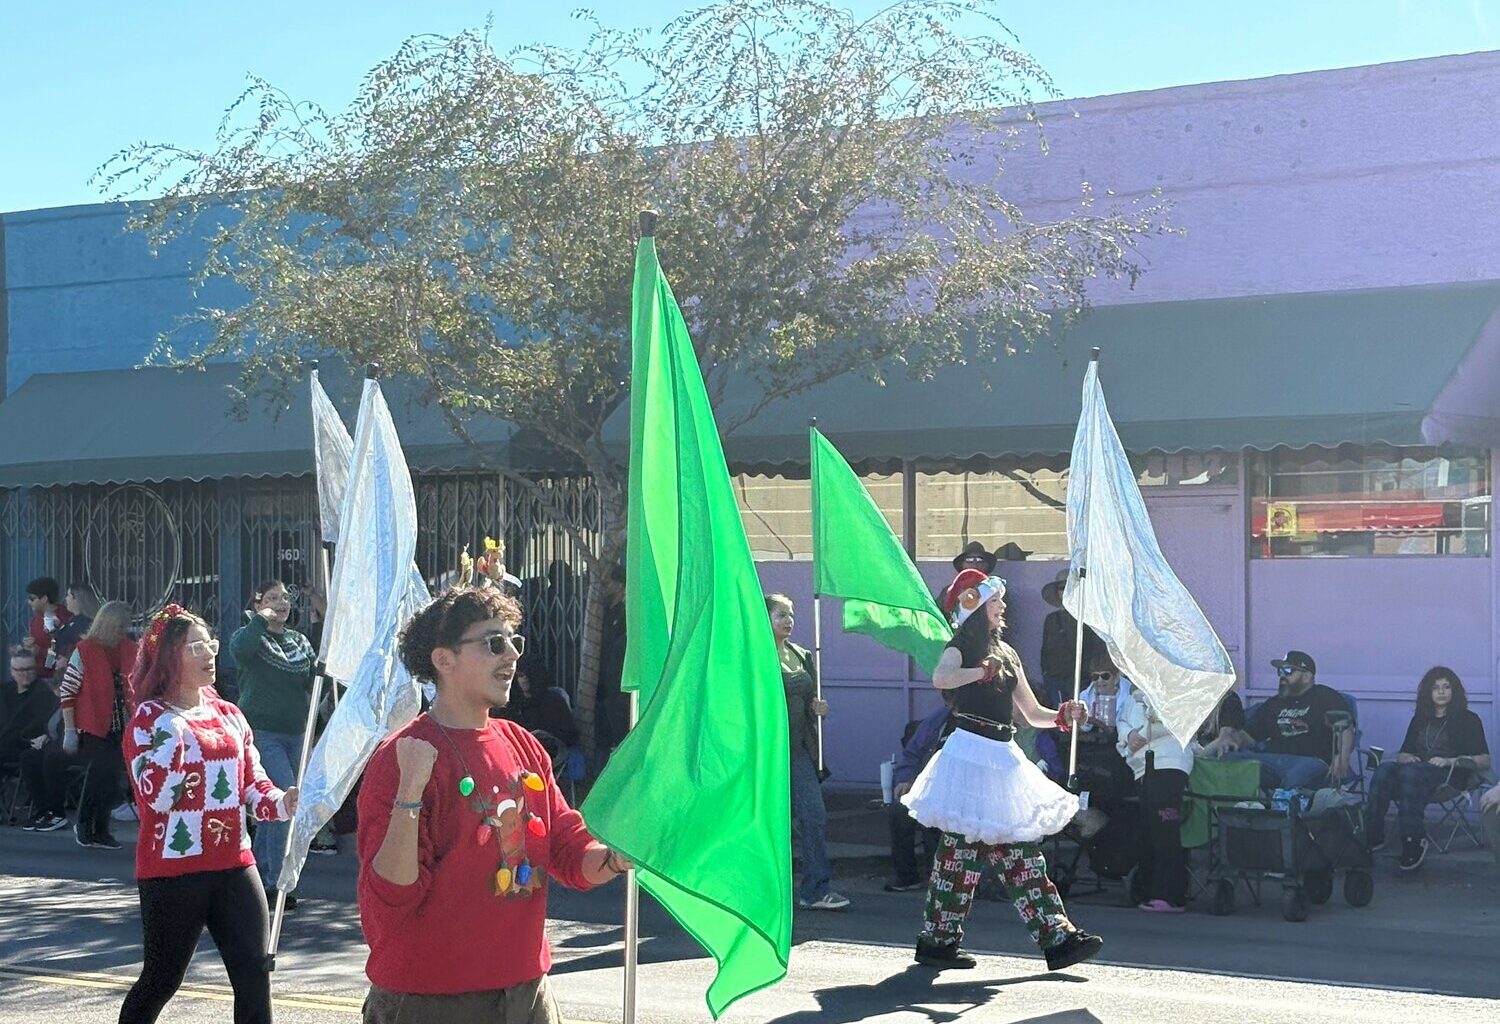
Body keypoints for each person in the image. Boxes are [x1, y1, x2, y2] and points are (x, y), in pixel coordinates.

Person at [356, 586, 627, 1024]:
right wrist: (410, 789)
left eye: (513, 642)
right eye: (493, 643)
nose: (511, 656)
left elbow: (569, 852)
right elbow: (392, 895)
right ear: (444, 661)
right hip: (430, 1001)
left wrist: (618, 857)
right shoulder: (402, 756)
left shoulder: (524, 746)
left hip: (526, 994)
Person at [902, 568, 1101, 972]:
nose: (1002, 607)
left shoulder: (1007, 653)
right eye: (995, 601)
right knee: (968, 856)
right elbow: (941, 677)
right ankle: (947, 941)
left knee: (1012, 855)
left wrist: (1064, 715)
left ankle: (1053, 937)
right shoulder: (962, 645)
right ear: (973, 605)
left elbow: (1030, 713)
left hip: (1001, 756)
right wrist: (981, 671)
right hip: (969, 755)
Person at [119, 604, 297, 1024]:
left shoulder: (230, 715)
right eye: (195, 647)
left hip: (234, 864)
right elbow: (157, 798)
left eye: (210, 644)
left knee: (255, 974)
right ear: (168, 658)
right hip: (173, 871)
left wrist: (283, 802)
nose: (209, 654)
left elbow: (253, 786)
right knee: (162, 979)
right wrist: (173, 738)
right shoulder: (148, 721)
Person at [229, 580, 316, 906]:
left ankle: (265, 877)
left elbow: (313, 680)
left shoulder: (299, 641)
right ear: (257, 602)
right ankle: (276, 885)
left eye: (285, 597)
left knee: (281, 809)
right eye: (272, 598)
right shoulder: (249, 635)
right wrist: (259, 618)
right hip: (264, 735)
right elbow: (240, 652)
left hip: (297, 734)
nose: (281, 602)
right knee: (285, 799)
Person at [766, 593, 851, 911]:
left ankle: (815, 888)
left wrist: (820, 708)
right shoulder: (753, 656)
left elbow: (814, 699)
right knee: (769, 823)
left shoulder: (801, 655)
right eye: (780, 615)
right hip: (765, 754)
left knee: (813, 816)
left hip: (799, 750)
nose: (788, 621)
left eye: (790, 615)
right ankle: (764, 890)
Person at [1365, 667, 1490, 871]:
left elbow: (1484, 760)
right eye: (1435, 688)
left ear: (1454, 690)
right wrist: (1407, 757)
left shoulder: (1469, 719)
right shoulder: (1420, 719)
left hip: (1449, 776)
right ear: (1428, 693)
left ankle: (1413, 839)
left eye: (1446, 687)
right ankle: (1373, 834)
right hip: (1415, 775)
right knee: (1385, 770)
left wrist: (1450, 761)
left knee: (1409, 773)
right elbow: (1404, 753)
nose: (1441, 692)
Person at [58, 600, 137, 849]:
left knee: (111, 779)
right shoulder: (84, 650)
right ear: (107, 625)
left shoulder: (130, 649)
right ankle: (84, 825)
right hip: (92, 725)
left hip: (121, 725)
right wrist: (69, 731)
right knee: (98, 777)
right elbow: (68, 691)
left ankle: (101, 831)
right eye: (120, 626)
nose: (123, 631)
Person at [1213, 650, 1351, 790]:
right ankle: (1238, 809)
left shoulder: (1325, 696)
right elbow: (1249, 735)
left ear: (1307, 676)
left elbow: (1345, 727)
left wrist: (1342, 757)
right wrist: (1230, 739)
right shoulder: (1274, 703)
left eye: (1288, 670)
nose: (1282, 675)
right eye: (1280, 671)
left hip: (1313, 761)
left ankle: (1283, 808)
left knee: (1298, 774)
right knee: (1229, 760)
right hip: (1272, 760)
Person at [1117, 688, 1193, 912]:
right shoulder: (1135, 693)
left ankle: (1172, 895)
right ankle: (1151, 889)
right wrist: (1128, 735)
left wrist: (1139, 735)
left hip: (1170, 762)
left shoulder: (1175, 688)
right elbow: (1122, 719)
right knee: (1149, 830)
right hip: (1142, 766)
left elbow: (1174, 723)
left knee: (1164, 829)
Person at [886, 695, 954, 892]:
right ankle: (907, 876)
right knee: (899, 810)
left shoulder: (982, 723)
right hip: (929, 787)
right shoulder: (939, 720)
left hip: (962, 791)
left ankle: (940, 878)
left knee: (932, 816)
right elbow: (912, 753)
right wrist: (904, 779)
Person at [491, 654, 580, 773]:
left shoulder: (554, 701)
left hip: (545, 757)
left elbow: (570, 736)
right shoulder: (511, 705)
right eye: (520, 676)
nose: (524, 679)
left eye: (529, 675)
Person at [1038, 569, 1105, 708]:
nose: (1066, 591)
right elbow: (1046, 653)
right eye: (1062, 587)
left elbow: (1099, 652)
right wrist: (1048, 675)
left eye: (1070, 586)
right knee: (1061, 722)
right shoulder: (1052, 619)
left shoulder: (1092, 620)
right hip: (1057, 683)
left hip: (1086, 682)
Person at [2, 646, 59, 803]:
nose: (25, 673)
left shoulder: (42, 694)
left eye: (29, 669)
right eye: (20, 670)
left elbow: (40, 725)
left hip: (22, 745)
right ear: (12, 671)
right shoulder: (5, 691)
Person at [25, 576, 74, 684]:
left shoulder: (65, 619)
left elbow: (67, 654)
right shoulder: (35, 620)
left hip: (57, 680)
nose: (28, 602)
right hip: (36, 677)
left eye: (32, 598)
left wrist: (40, 651)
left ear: (44, 599)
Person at [51, 582, 100, 672]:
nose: (66, 599)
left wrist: (68, 660)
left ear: (77, 599)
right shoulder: (71, 620)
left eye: (68, 595)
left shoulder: (85, 624)